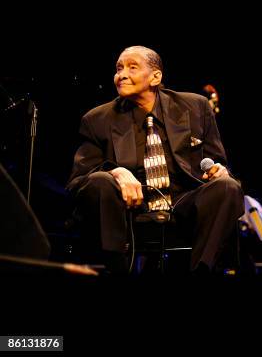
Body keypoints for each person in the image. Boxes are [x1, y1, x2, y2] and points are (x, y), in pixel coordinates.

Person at [67, 46, 244, 275]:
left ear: (155, 76)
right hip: (129, 208)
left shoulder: (195, 107)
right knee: (100, 180)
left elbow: (217, 162)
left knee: (228, 186)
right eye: (119, 68)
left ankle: (201, 273)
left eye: (132, 67)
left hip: (184, 202)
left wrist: (220, 171)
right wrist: (116, 172)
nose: (122, 74)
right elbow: (78, 183)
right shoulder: (97, 119)